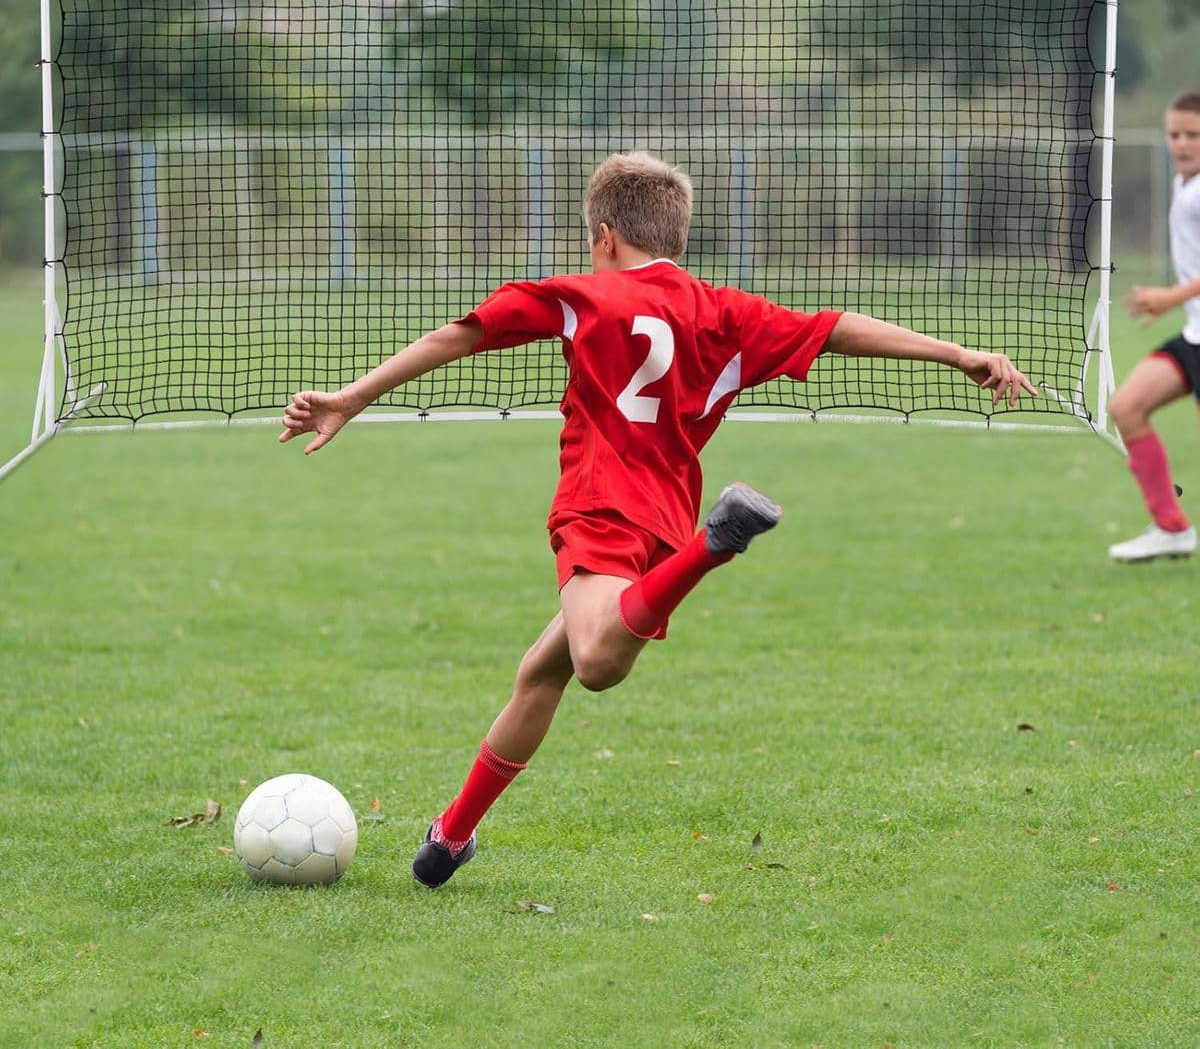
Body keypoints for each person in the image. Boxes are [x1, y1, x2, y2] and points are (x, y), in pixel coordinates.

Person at [279, 151, 1036, 887]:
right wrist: (955, 352)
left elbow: (461, 334)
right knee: (538, 673)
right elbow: (836, 325)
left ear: (605, 237)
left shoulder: (583, 294)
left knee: (596, 664)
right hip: (656, 523)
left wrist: (353, 395)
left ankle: (718, 544)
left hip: (600, 505)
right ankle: (451, 835)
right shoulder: (727, 311)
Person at [1108, 93, 1200, 562]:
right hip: (1193, 337)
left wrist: (1168, 297)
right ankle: (1171, 527)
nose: (1182, 144)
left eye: (1193, 135)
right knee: (1126, 408)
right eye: (1175, 134)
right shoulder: (1185, 185)